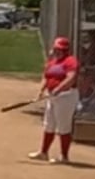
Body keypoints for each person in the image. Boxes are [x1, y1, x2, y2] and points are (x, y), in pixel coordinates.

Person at [31, 35, 81, 163]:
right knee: (49, 124)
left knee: (63, 126)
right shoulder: (52, 62)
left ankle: (64, 156)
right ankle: (43, 153)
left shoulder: (70, 61)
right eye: (56, 49)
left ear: (65, 50)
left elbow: (71, 78)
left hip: (66, 97)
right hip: (52, 97)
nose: (57, 51)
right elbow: (46, 77)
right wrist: (41, 91)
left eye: (60, 49)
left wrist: (59, 88)